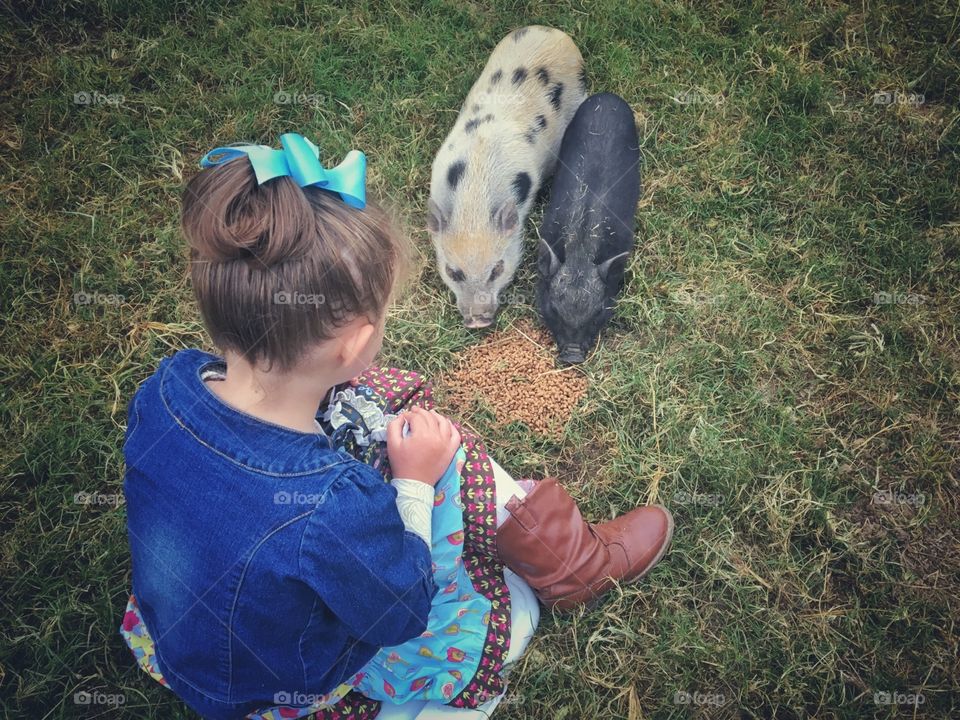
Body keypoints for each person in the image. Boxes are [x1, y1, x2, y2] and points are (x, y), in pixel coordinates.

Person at [119, 133, 674, 720]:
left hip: (181, 641)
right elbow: (398, 610)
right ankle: (574, 566)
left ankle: (563, 556)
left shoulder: (168, 387)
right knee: (448, 459)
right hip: (284, 683)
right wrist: (413, 483)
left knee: (384, 411)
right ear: (357, 342)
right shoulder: (331, 506)